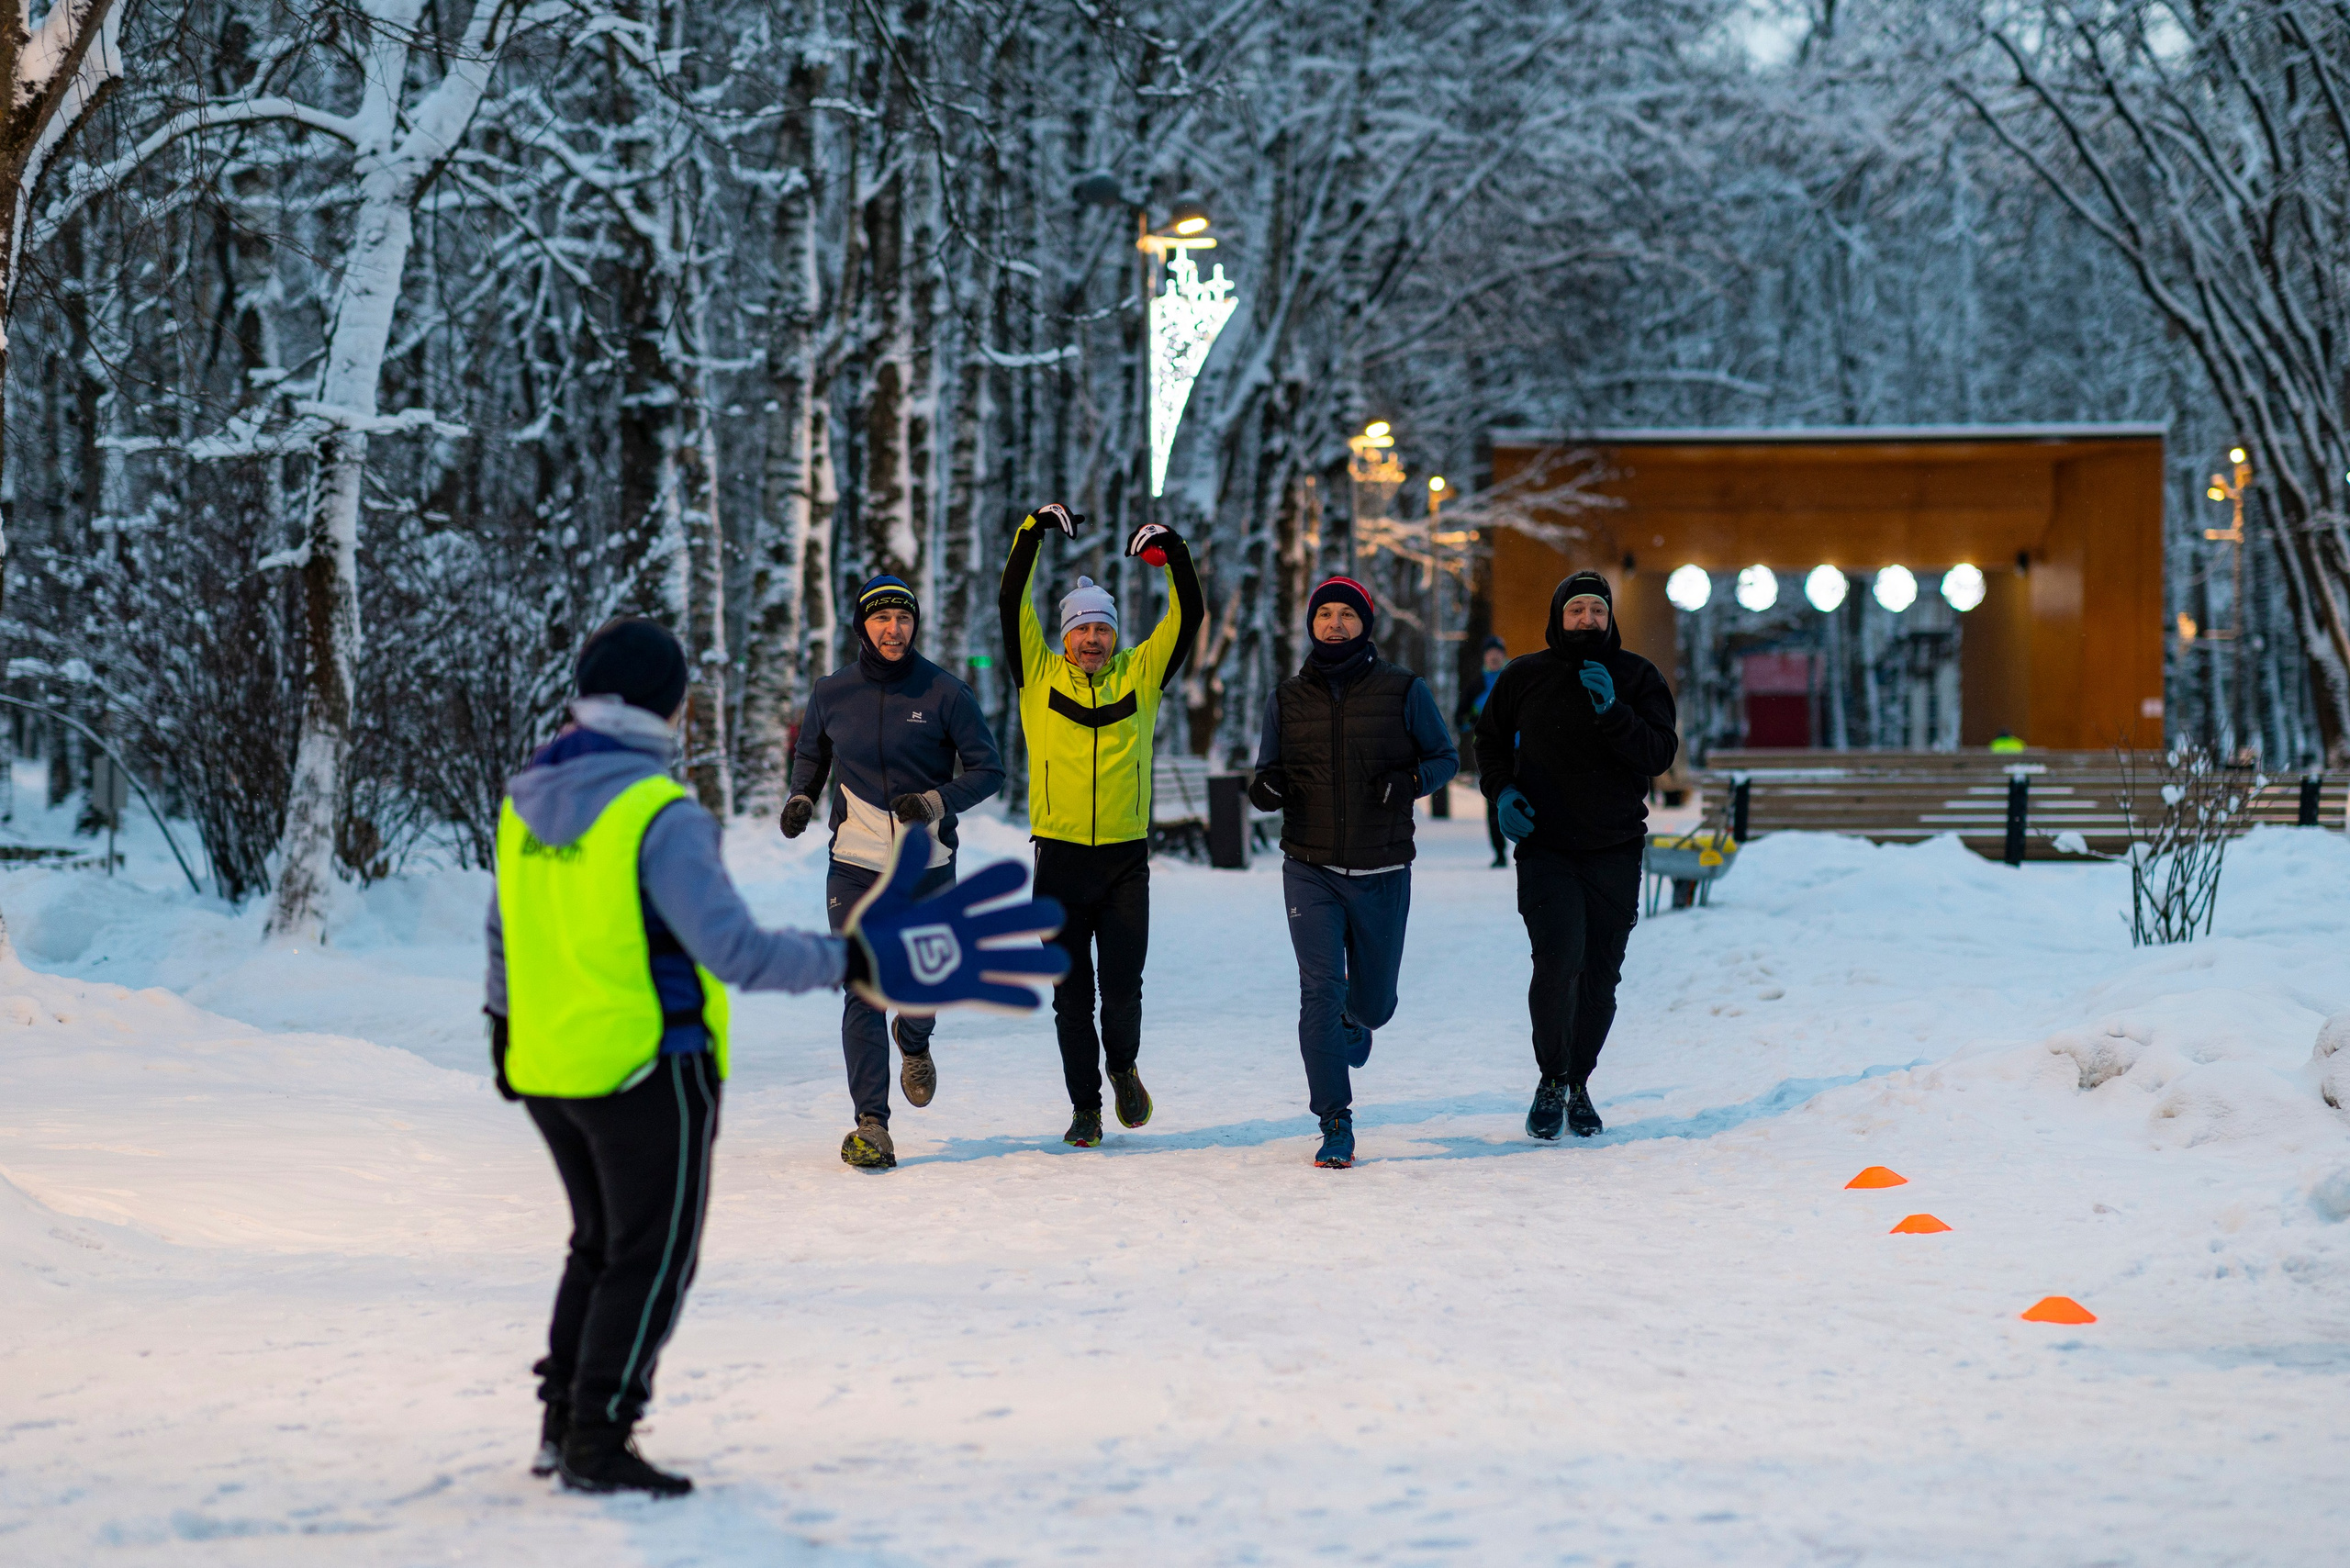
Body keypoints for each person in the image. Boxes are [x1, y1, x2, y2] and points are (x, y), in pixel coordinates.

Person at [486, 618, 1062, 1496]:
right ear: (667, 706)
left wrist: (503, 1029)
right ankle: (597, 1438)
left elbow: (504, 928)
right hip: (650, 1064)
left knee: (597, 1245)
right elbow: (737, 952)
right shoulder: (658, 813)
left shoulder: (526, 797)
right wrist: (856, 961)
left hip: (545, 1066)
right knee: (649, 1257)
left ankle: (562, 1423)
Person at [779, 575, 1005, 1171]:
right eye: (881, 618)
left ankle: (916, 1037)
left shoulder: (945, 692)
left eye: (903, 618)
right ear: (863, 626)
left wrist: (935, 802)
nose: (893, 628)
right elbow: (812, 752)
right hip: (854, 862)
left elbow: (989, 770)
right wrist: (801, 797)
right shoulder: (832, 692)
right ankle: (872, 1125)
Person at [998, 502, 1203, 1148]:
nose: (1092, 640)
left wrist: (1174, 554)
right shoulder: (1037, 676)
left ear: (1116, 636)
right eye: (1082, 629)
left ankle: (1122, 1067)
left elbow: (1187, 616)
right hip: (1059, 862)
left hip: (1124, 862)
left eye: (1102, 630)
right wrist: (1032, 533)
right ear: (1064, 636)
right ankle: (1085, 1108)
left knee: (1121, 989)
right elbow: (1011, 602)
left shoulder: (1141, 675)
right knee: (1070, 999)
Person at [1249, 577, 1457, 1169]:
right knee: (1318, 988)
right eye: (1325, 615)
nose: (1335, 624)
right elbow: (1267, 770)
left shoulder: (1404, 689)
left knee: (1374, 1007)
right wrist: (1266, 788)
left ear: (1366, 625)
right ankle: (1334, 1121)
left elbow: (1444, 758)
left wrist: (1410, 781)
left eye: (1347, 615)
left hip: (1382, 866)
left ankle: (1356, 1018)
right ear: (1311, 624)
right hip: (1308, 866)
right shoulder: (1287, 698)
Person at [1473, 572, 1677, 1141]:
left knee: (1601, 976)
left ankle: (1580, 1082)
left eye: (1597, 610)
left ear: (1610, 617)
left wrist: (1613, 709)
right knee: (1558, 962)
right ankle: (1551, 1079)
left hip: (1615, 848)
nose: (1587, 619)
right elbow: (1488, 741)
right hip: (1547, 849)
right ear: (1558, 616)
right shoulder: (1524, 676)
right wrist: (1503, 792)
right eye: (1576, 609)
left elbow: (1659, 754)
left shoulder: (1638, 676)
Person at [1454, 633, 1511, 867]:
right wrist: (1473, 721)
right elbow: (1460, 719)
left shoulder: (1514, 677)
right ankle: (1500, 853)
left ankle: (1534, 849)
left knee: (1530, 796)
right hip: (1489, 752)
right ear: (1485, 656)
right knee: (1494, 801)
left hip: (1520, 749)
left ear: (1504, 655)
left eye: (1498, 652)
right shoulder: (1476, 685)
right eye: (1490, 653)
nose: (1494, 657)